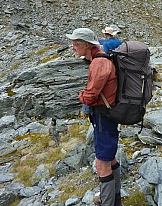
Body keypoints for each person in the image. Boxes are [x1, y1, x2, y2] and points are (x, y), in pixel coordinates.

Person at [66, 28, 122, 206]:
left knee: (101, 164)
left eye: (75, 43)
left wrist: (81, 96)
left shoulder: (99, 63)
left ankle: (109, 202)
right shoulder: (99, 58)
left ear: (87, 45)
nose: (72, 47)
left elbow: (90, 95)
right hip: (106, 115)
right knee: (110, 158)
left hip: (103, 117)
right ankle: (114, 198)